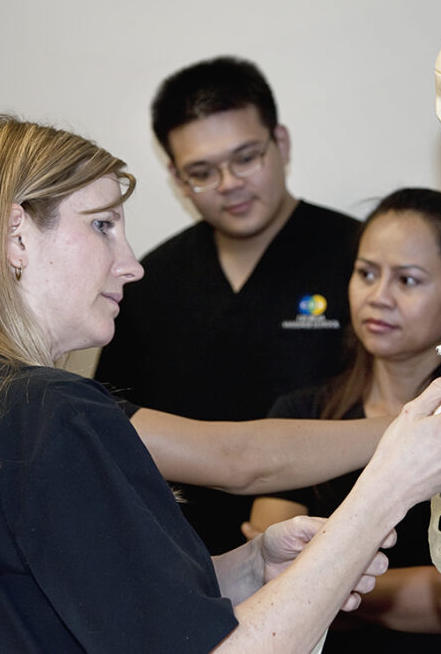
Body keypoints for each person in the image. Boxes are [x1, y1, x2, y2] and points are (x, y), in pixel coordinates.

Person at [0, 113, 441, 651]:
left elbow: (58, 598)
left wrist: (248, 567)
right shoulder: (48, 413)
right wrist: (390, 483)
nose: (132, 265)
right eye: (103, 225)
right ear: (16, 234)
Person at [94, 56, 362, 554]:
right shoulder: (147, 284)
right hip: (188, 570)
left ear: (280, 143)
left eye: (246, 157)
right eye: (201, 171)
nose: (229, 183)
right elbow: (116, 443)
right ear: (176, 177)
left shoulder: (360, 263)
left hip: (343, 559)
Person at [243, 188, 441, 652]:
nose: (378, 297)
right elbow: (269, 580)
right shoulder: (302, 414)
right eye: (366, 273)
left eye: (407, 281)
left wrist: (317, 585)